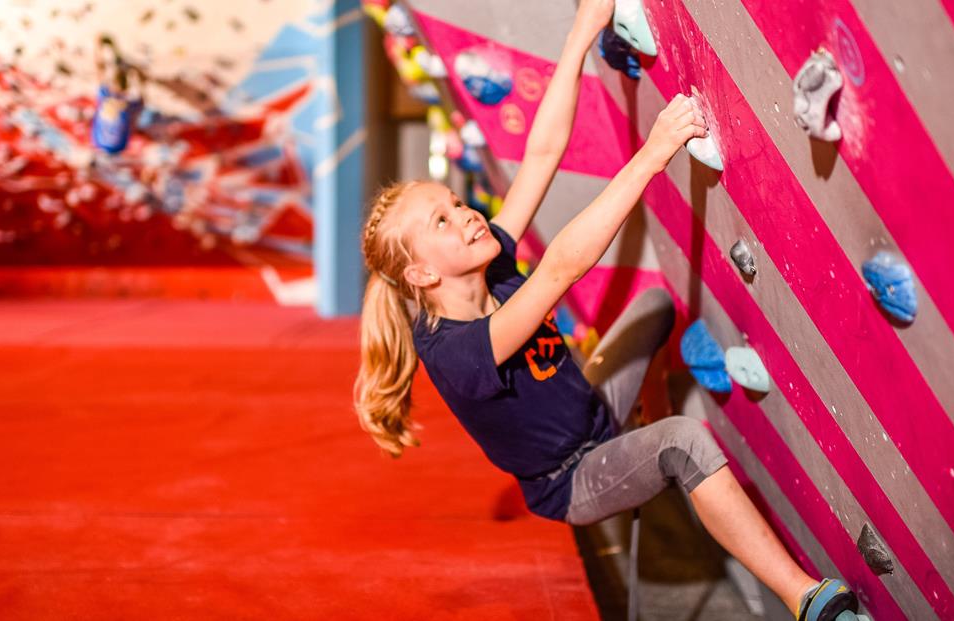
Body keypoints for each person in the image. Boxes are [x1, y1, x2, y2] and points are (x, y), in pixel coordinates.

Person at [353, 1, 860, 620]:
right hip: (574, 475)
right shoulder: (457, 353)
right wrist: (654, 152)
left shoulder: (489, 265)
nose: (466, 213)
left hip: (591, 411)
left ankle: (651, 438)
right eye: (443, 219)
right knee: (682, 443)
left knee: (651, 307)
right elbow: (563, 267)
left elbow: (540, 157)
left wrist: (580, 33)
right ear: (424, 274)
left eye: (456, 203)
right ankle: (806, 600)